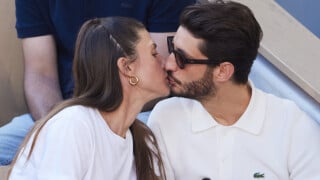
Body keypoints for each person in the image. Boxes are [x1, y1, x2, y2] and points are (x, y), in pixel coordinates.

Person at [0, 0, 195, 165]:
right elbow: (40, 75)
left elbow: (158, 73)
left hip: (140, 112)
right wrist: (60, 128)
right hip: (63, 110)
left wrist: (99, 127)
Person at [148, 1, 320, 179]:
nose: (169, 64)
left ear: (223, 71)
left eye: (182, 58)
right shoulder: (166, 118)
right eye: (172, 49)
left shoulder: (293, 127)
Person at [8, 16, 169, 179]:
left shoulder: (143, 140)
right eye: (154, 53)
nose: (167, 63)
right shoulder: (73, 126)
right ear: (126, 67)